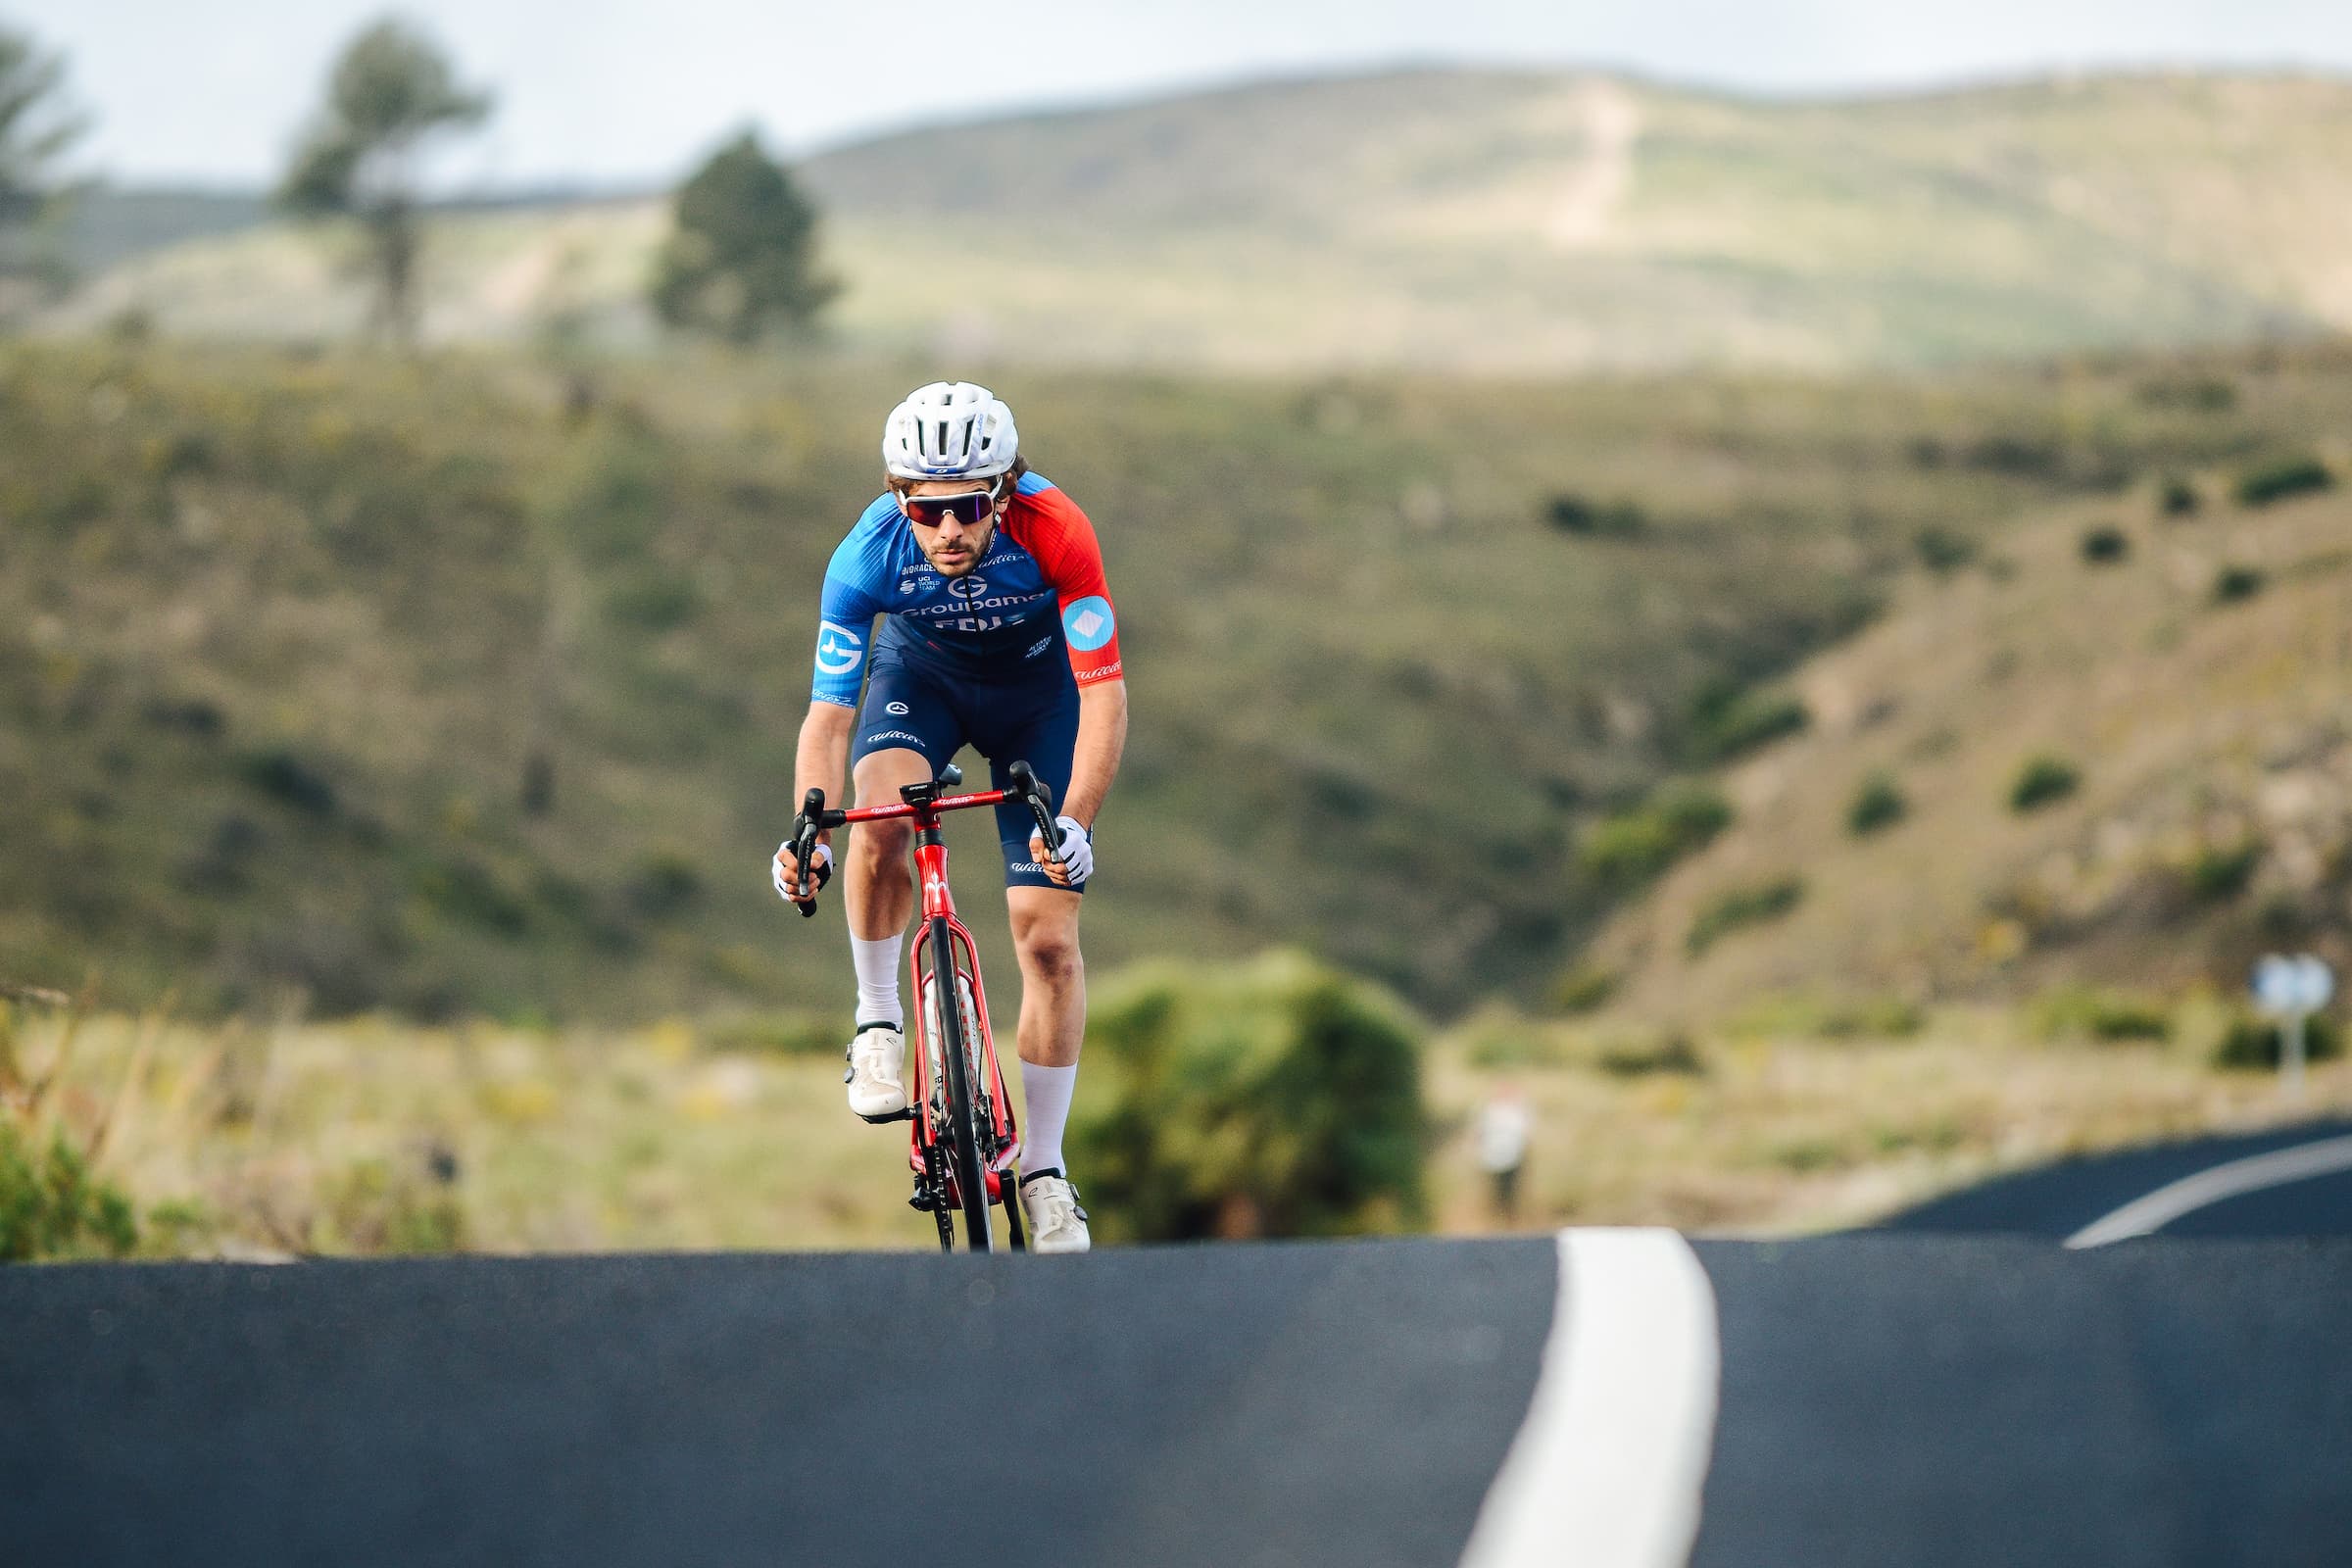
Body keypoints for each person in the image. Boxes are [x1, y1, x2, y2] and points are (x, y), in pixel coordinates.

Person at [771, 381, 1127, 1254]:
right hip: (919, 685)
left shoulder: (1059, 530)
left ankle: (1043, 1169)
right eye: (926, 510)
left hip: (1037, 701)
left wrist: (1075, 823)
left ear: (1002, 492)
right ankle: (878, 1021)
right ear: (901, 498)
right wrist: (807, 834)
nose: (948, 532)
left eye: (969, 507)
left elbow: (1106, 697)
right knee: (881, 819)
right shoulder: (865, 554)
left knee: (1046, 938)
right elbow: (828, 721)